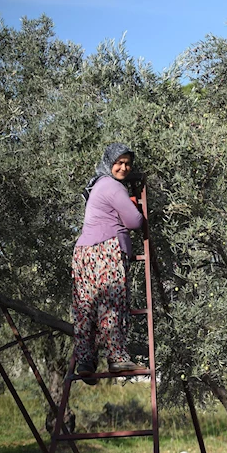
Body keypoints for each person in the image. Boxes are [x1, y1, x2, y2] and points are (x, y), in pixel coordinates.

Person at [72, 143, 145, 384]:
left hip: (83, 252)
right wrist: (138, 211)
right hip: (106, 250)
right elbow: (134, 221)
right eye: (119, 162)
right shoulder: (112, 186)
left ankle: (85, 360)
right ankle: (116, 357)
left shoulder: (97, 185)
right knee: (111, 303)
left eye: (127, 164)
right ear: (109, 162)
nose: (123, 167)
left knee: (86, 308)